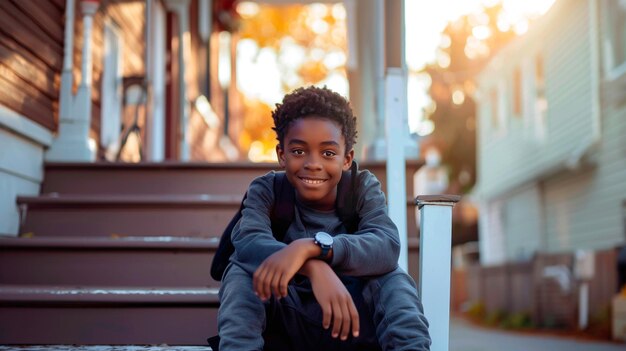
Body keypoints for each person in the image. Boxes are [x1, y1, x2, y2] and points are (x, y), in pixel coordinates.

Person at [216, 86, 430, 351]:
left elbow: (386, 245)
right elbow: (247, 243)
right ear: (281, 154)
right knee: (241, 272)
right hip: (287, 313)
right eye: (298, 151)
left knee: (393, 278)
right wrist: (313, 267)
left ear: (347, 159)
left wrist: (313, 248)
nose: (313, 164)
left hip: (351, 316)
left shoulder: (361, 188)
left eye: (328, 153)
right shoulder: (267, 189)